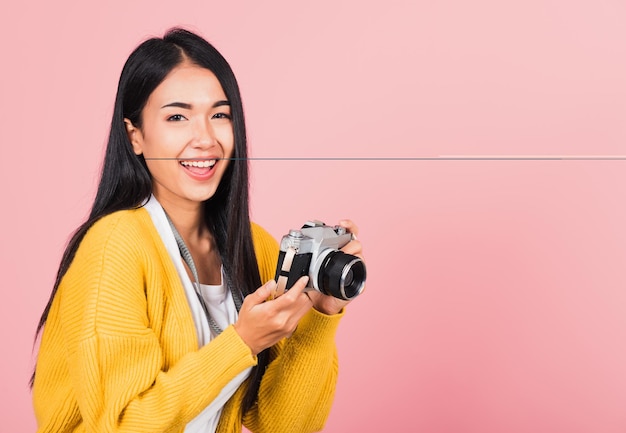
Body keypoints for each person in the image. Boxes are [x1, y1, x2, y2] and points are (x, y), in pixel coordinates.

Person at [31, 28, 364, 433]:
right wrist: (241, 342)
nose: (205, 138)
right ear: (135, 135)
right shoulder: (114, 246)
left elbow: (281, 426)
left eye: (219, 115)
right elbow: (121, 426)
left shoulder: (253, 245)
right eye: (177, 117)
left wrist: (321, 317)